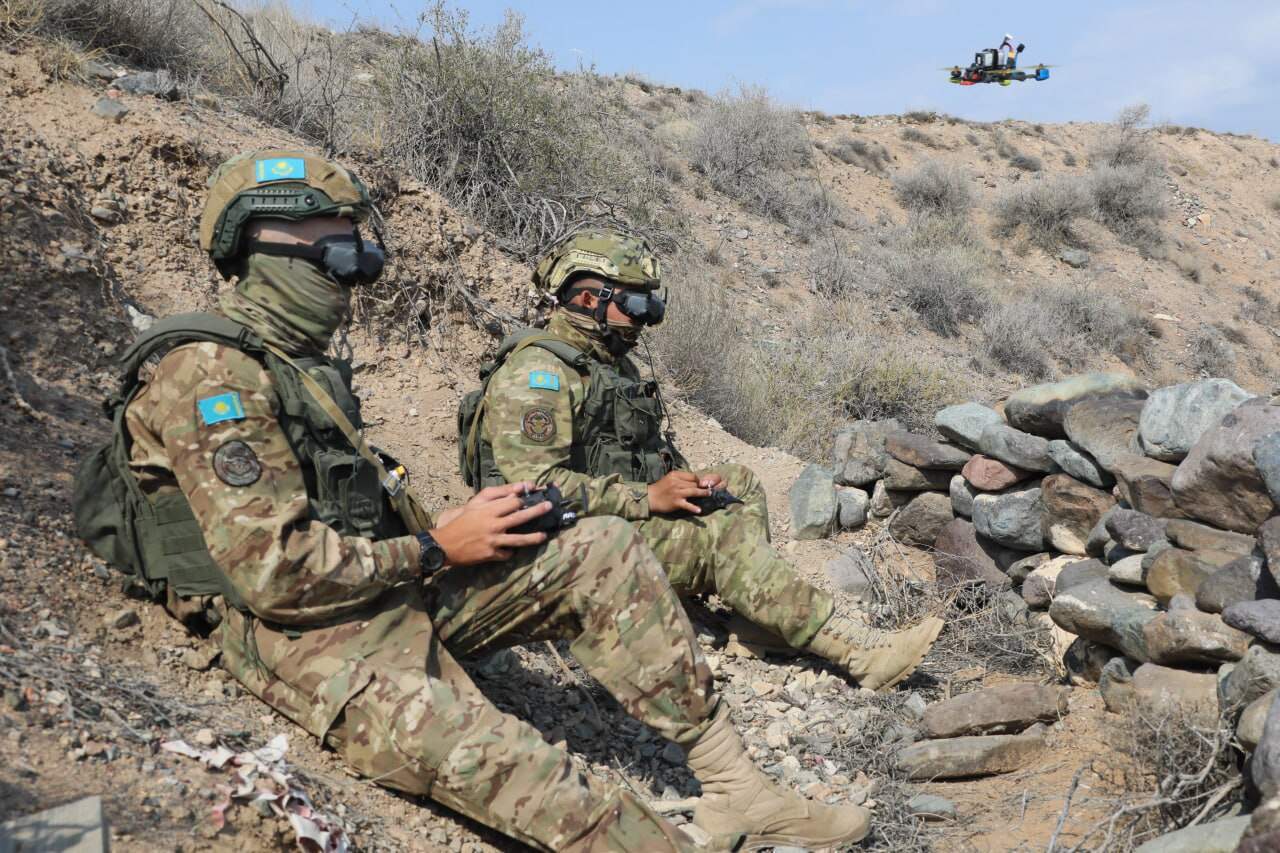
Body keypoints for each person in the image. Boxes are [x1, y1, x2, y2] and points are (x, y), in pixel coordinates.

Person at [73, 152, 870, 852]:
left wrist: (456, 537)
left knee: (601, 548)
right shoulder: (209, 373)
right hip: (297, 630)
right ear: (271, 244)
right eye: (344, 257)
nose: (356, 284)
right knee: (522, 768)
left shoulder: (294, 366)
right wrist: (433, 549)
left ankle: (740, 787)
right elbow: (276, 575)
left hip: (381, 585)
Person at [462, 228, 943, 692]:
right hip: (559, 547)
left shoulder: (606, 364)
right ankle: (858, 653)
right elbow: (533, 489)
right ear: (589, 299)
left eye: (651, 306)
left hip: (612, 517)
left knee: (739, 485)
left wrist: (680, 481)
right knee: (719, 537)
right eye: (635, 304)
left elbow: (629, 450)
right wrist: (647, 497)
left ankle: (755, 617)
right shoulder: (538, 374)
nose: (645, 320)